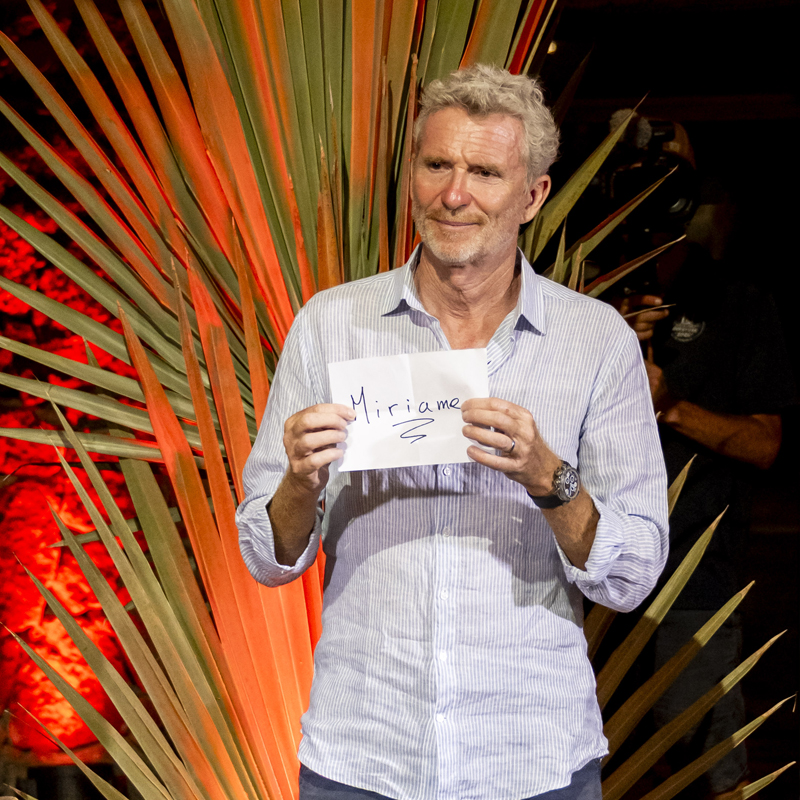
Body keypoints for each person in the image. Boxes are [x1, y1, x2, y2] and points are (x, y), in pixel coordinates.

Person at [236, 64, 669, 800]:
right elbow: (265, 556)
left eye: (485, 172)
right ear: (413, 177)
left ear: (532, 195)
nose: (454, 194)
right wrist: (299, 482)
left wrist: (551, 479)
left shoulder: (596, 341)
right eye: (437, 165)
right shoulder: (330, 323)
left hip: (531, 761)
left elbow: (633, 574)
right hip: (362, 759)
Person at [619, 233, 795, 799]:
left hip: (690, 581)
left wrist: (668, 407)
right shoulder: (577, 294)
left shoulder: (738, 301)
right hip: (581, 579)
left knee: (708, 772)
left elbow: (764, 444)